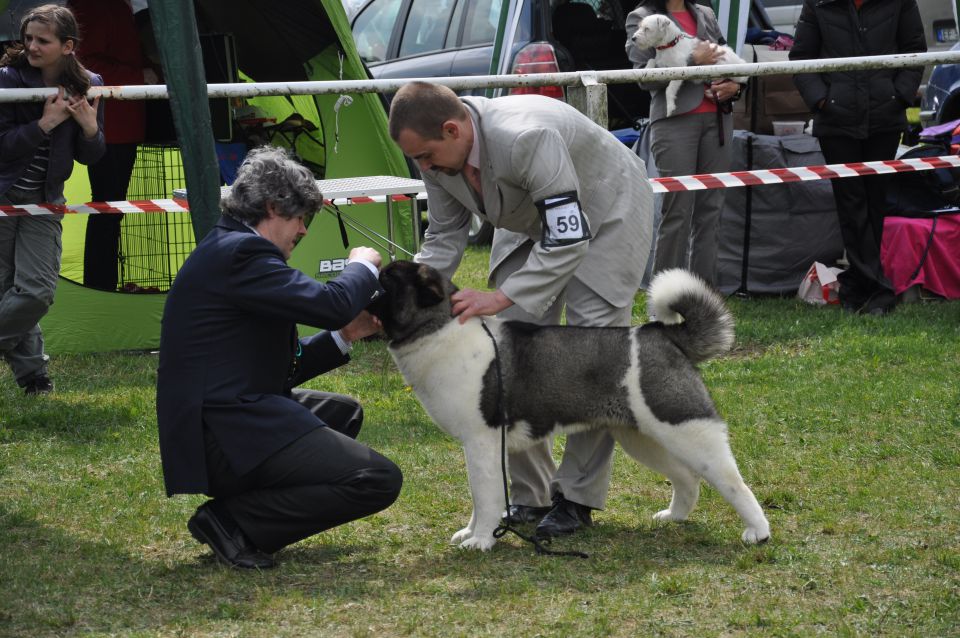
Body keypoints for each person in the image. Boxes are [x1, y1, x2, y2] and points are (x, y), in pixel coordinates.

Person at [388, 81, 654, 540]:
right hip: (528, 218)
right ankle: (530, 495)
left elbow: (568, 237)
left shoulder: (526, 136)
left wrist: (500, 297)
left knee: (594, 357)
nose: (424, 168)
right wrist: (409, 290)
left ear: (453, 129)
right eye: (418, 161)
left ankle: (576, 498)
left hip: (607, 206)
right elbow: (445, 235)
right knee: (509, 350)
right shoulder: (435, 155)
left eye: (427, 157)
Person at [156, 146, 402, 569]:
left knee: (342, 414)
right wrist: (362, 265)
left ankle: (243, 510)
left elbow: (281, 364)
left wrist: (347, 333)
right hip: (220, 432)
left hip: (227, 413)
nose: (303, 230)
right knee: (377, 479)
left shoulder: (233, 249)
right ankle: (233, 521)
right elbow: (331, 303)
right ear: (273, 207)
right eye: (300, 217)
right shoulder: (242, 254)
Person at [790, 0, 925, 316]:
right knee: (850, 203)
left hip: (885, 118)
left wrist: (898, 95)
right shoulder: (817, 4)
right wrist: (823, 101)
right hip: (836, 121)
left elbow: (916, 50)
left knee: (875, 201)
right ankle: (877, 288)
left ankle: (859, 285)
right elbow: (800, 57)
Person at [0, 4, 105, 395]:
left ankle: (29, 373)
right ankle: (34, 378)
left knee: (36, 291)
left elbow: (90, 156)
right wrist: (43, 124)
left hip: (46, 199)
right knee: (7, 289)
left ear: (67, 46)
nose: (31, 46)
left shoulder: (91, 82)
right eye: (28, 38)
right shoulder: (7, 80)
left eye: (42, 40)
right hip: (4, 196)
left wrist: (91, 130)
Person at [625, 0, 743, 288]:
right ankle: (666, 296)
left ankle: (702, 296)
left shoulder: (706, 13)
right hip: (674, 123)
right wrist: (693, 62)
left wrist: (736, 86)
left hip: (717, 121)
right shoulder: (640, 18)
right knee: (677, 211)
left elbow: (728, 58)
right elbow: (643, 77)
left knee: (711, 211)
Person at [67, 0, 158, 291]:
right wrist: (140, 76)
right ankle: (100, 286)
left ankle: (103, 285)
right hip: (111, 125)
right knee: (107, 210)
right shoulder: (94, 6)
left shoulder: (116, 7)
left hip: (122, 124)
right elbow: (85, 63)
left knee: (110, 210)